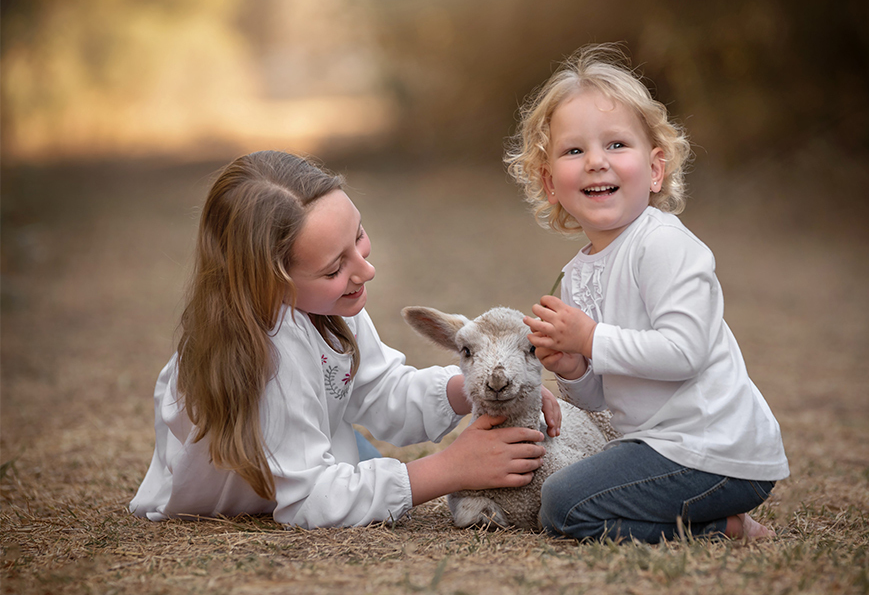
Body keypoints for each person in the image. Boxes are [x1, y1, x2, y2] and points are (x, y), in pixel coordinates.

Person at [130, 150, 560, 528]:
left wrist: (477, 386)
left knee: (365, 463)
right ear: (271, 284)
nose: (365, 270)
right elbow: (308, 500)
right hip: (268, 488)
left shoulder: (328, 304)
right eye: (334, 268)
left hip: (319, 441)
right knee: (366, 482)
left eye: (358, 235)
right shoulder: (272, 355)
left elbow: (380, 390)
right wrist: (450, 469)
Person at [506, 44, 789, 543]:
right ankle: (716, 524)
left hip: (716, 449)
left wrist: (590, 337)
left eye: (616, 145)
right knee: (561, 495)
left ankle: (720, 527)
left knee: (564, 505)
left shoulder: (664, 245)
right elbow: (612, 390)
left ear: (655, 169)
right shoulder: (579, 273)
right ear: (550, 182)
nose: (596, 162)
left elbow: (685, 352)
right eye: (574, 151)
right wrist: (574, 369)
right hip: (660, 446)